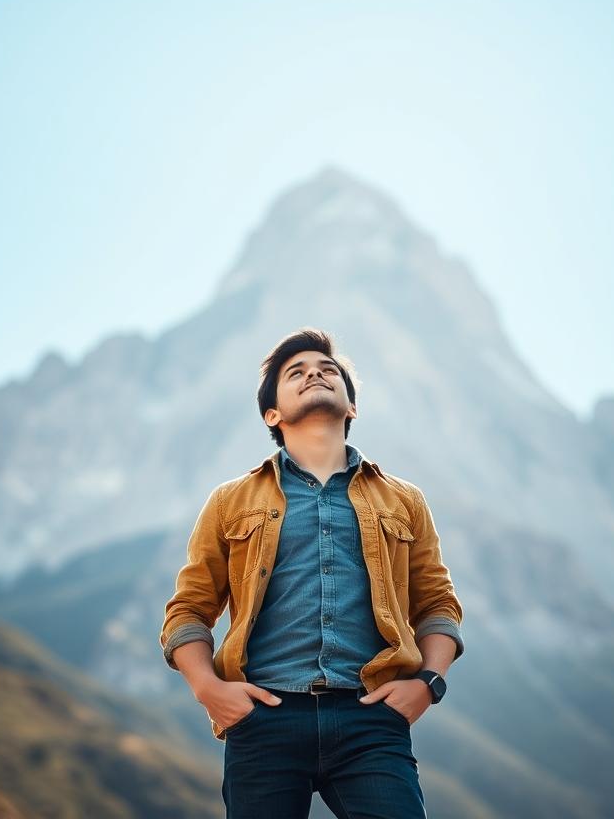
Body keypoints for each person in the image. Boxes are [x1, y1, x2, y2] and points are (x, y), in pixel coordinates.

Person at [160, 328, 465, 818]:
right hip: (263, 720)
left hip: (370, 721)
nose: (315, 374)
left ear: (351, 408)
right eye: (295, 373)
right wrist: (208, 688)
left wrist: (428, 683)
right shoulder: (229, 501)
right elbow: (189, 611)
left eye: (328, 370)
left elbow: (437, 605)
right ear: (272, 415)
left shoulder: (404, 500)